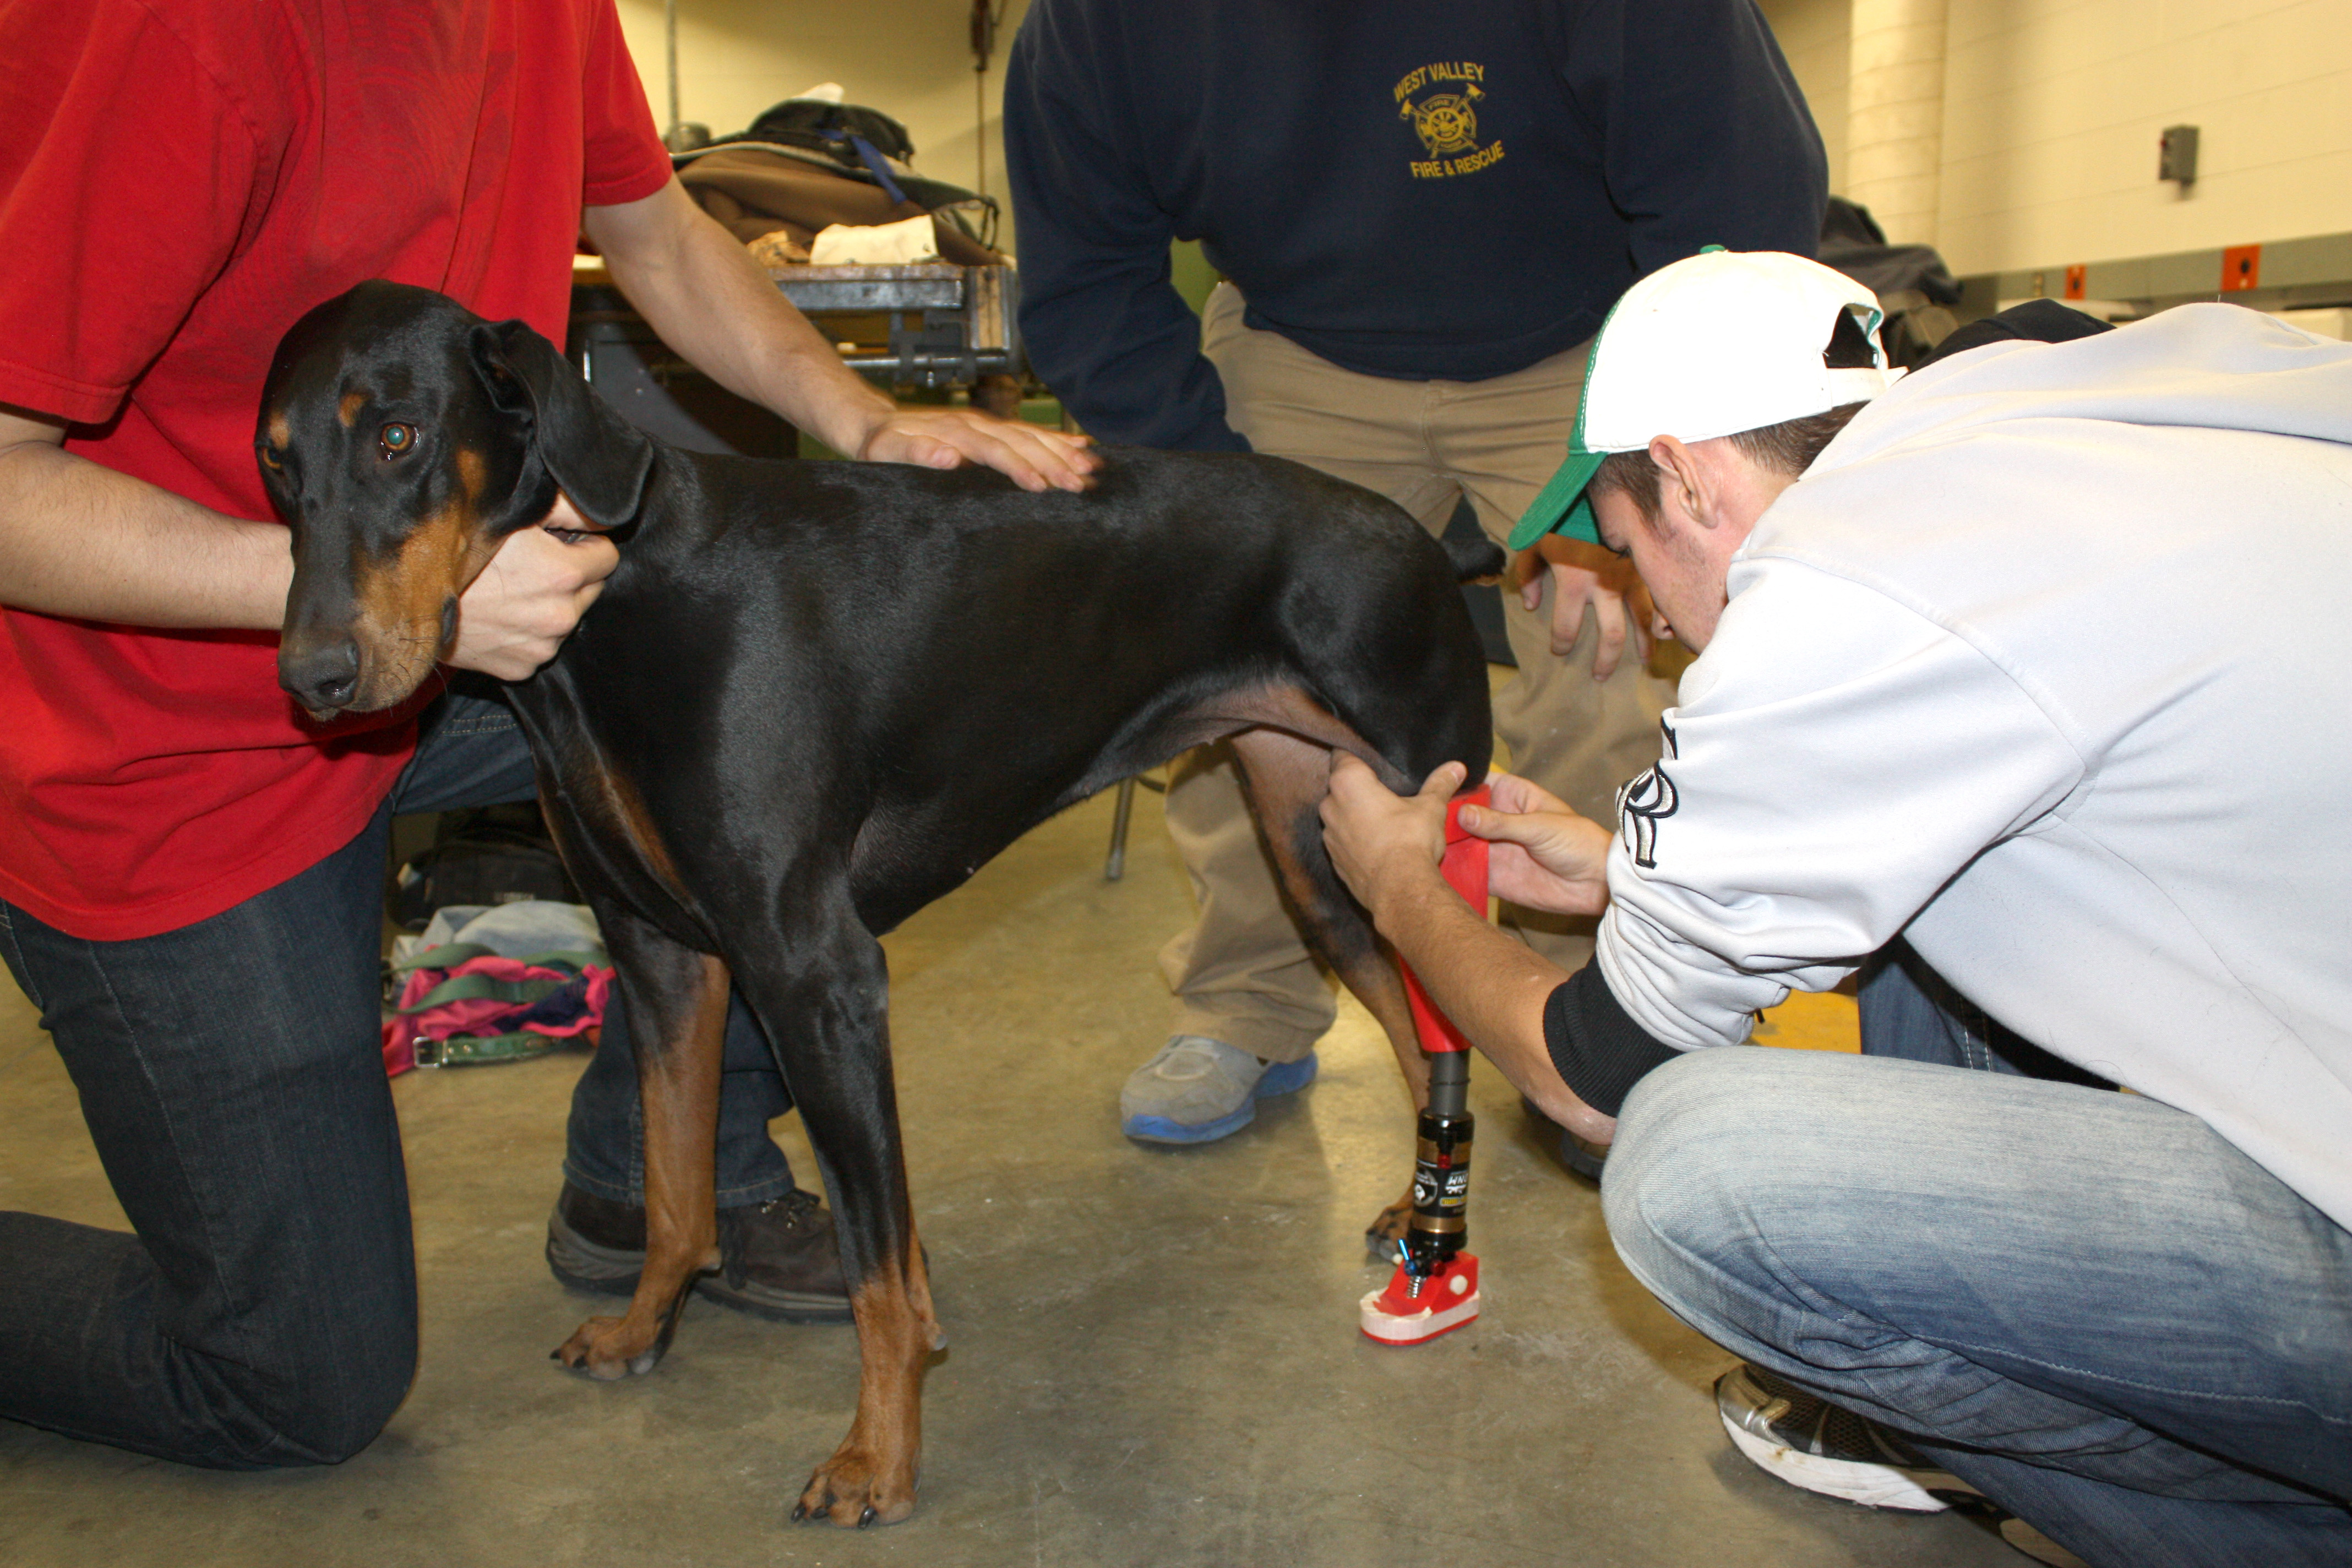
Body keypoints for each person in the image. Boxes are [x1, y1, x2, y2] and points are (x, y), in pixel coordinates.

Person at [0, 0, 1092, 1467]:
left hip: (459, 647)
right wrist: (410, 601)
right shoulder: (170, 32)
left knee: (810, 757)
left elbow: (661, 235)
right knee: (294, 1380)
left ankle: (635, 1188)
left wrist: (865, 421)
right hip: (152, 737)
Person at [1317, 248, 2352, 1566]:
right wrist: (1632, 867)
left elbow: (1587, 1078)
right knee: (1934, 901)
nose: (1657, 613)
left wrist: (1399, 883)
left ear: (1688, 473)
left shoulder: (1850, 584)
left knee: (1695, 1165)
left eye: (1631, 550)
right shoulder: (2093, 398)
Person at [1002, 0, 1828, 1145]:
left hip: (1585, 336)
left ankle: (1591, 1020)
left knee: (1604, 658)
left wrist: (1626, 463)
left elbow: (1740, 204)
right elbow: (1087, 283)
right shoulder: (1099, 25)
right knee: (1226, 659)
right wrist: (1224, 527)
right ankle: (1247, 997)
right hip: (1300, 337)